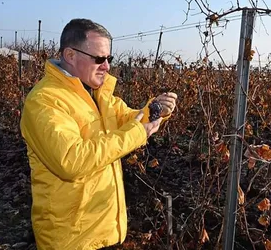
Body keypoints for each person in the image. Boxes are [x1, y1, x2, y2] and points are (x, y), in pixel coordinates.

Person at [20, 18, 177, 250]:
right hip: (71, 239)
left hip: (106, 232)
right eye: (99, 59)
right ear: (70, 55)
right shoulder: (45, 101)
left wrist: (156, 110)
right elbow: (71, 161)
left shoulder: (98, 95)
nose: (107, 66)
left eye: (109, 58)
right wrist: (136, 133)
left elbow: (131, 119)